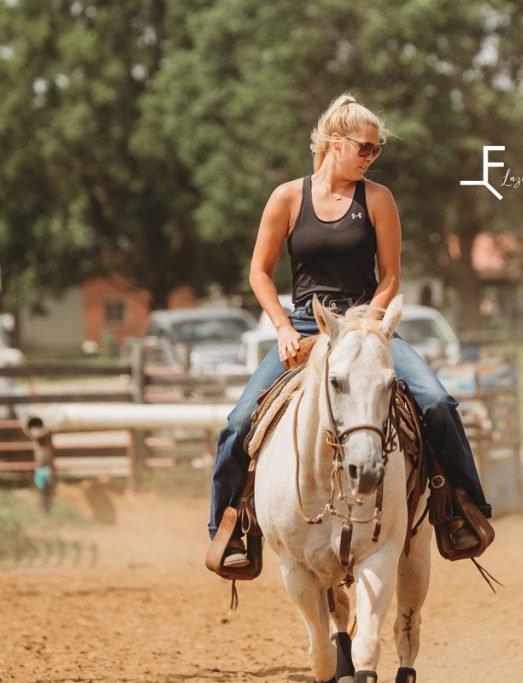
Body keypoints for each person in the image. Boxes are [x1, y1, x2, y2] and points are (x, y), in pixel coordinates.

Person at [209, 92, 490, 568]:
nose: (371, 158)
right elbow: (259, 272)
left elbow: (392, 278)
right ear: (334, 143)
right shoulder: (287, 197)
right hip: (305, 325)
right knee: (238, 423)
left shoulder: (378, 200)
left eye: (376, 150)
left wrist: (368, 326)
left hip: (368, 328)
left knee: (438, 403)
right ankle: (231, 531)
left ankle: (460, 511)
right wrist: (281, 328)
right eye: (366, 148)